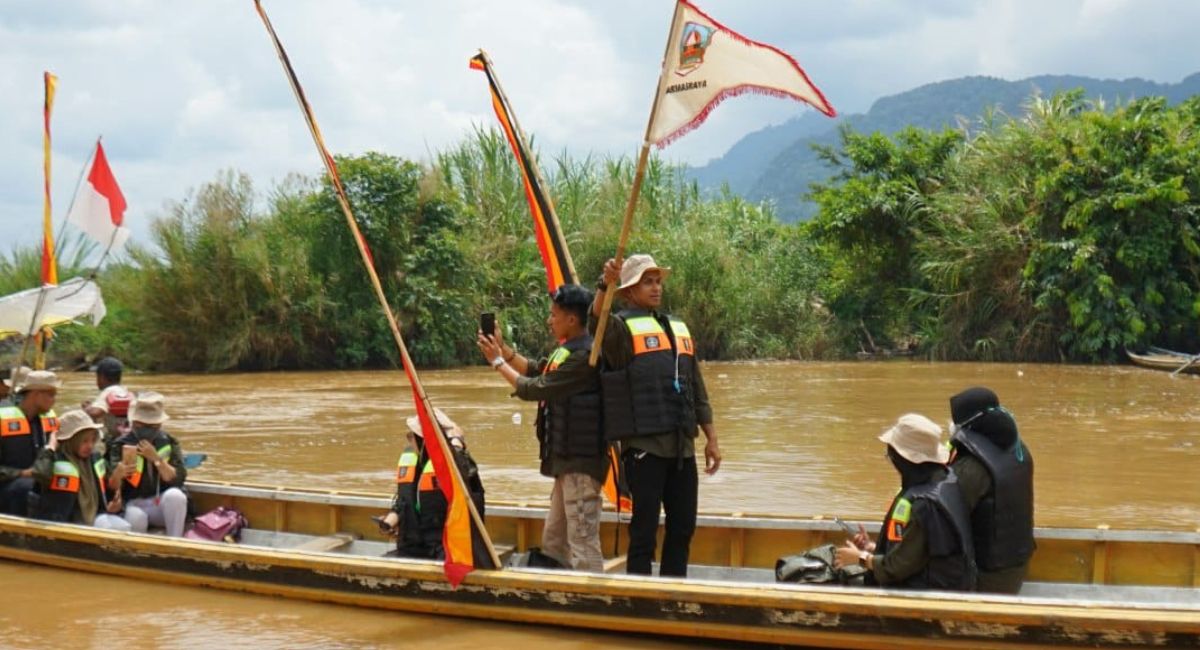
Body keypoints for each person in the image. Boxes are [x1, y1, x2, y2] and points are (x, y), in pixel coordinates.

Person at [591, 254, 721, 577]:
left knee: (683, 528)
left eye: (658, 281)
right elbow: (597, 321)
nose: (656, 288)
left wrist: (712, 439)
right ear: (628, 292)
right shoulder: (620, 329)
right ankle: (640, 596)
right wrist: (605, 284)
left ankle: (673, 592)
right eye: (647, 282)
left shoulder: (677, 327)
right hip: (645, 450)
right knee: (644, 533)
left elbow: (697, 387)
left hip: (682, 449)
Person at [477, 284, 606, 572]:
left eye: (554, 315)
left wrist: (497, 362)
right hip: (565, 465)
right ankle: (558, 590)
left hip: (581, 464)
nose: (549, 320)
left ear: (571, 320)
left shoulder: (585, 357)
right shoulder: (566, 351)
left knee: (582, 540)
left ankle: (591, 596)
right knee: (554, 540)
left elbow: (535, 388)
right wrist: (503, 351)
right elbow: (536, 371)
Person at [834, 414, 976, 591]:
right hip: (944, 584)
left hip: (928, 594)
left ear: (904, 460)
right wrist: (872, 548)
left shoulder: (924, 505)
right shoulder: (947, 482)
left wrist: (860, 558)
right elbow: (914, 553)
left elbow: (896, 568)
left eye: (891, 456)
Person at [948, 387, 1035, 594]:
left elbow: (943, 516)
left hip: (987, 578)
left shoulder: (972, 466)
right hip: (1017, 567)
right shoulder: (1019, 450)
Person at [380, 408, 485, 559]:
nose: (409, 440)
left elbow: (463, 471)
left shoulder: (459, 467)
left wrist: (456, 443)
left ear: (425, 441)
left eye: (411, 436)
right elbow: (405, 502)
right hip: (412, 548)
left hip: (445, 552)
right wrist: (391, 520)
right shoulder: (416, 463)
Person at [31, 409, 131, 530]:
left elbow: (107, 492)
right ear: (71, 441)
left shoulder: (95, 459)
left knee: (130, 521)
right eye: (84, 441)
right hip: (65, 524)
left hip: (97, 516)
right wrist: (50, 448)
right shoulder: (54, 460)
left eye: (92, 440)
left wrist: (114, 503)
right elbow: (40, 474)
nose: (90, 446)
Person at [105, 391, 188, 536]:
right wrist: (118, 474)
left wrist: (156, 459)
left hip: (160, 503)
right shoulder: (119, 444)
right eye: (141, 425)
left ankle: (175, 542)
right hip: (133, 504)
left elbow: (178, 478)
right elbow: (112, 487)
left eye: (152, 426)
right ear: (134, 423)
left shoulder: (169, 441)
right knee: (136, 517)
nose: (146, 430)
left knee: (176, 496)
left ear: (159, 424)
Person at [0, 370, 61, 516]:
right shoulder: (3, 421)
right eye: (51, 395)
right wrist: (21, 473)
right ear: (36, 394)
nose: (54, 400)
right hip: (9, 488)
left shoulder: (50, 421)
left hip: (38, 481)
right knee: (26, 487)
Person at [83, 356, 133, 442]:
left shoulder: (108, 392)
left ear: (101, 377)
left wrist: (87, 408)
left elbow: (96, 413)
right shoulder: (124, 391)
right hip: (128, 435)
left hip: (115, 438)